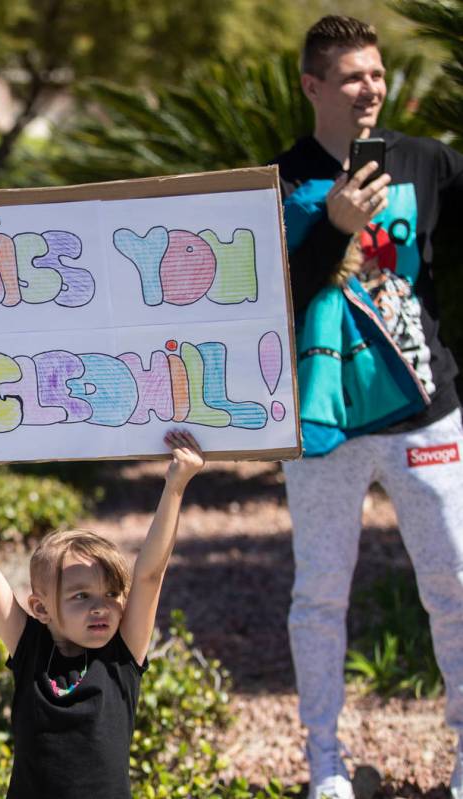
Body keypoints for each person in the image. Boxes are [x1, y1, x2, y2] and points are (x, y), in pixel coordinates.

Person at [272, 15, 463, 799]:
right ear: (313, 86)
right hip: (320, 423)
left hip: (423, 411)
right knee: (318, 592)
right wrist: (331, 227)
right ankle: (324, 762)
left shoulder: (424, 164)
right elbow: (268, 299)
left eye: (377, 74)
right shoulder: (276, 183)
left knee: (453, 582)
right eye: (351, 77)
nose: (370, 89)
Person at [0, 431, 204, 799]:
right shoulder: (30, 649)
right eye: (81, 595)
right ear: (40, 608)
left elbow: (150, 574)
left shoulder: (121, 656)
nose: (100, 606)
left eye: (111, 593)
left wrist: (175, 486)